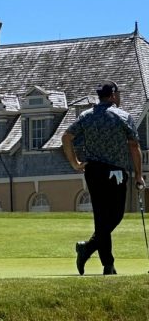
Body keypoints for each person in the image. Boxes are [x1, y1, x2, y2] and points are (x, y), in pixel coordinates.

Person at [62, 81, 144, 276]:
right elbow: (134, 146)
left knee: (102, 218)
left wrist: (75, 163)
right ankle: (94, 254)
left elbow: (66, 137)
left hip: (93, 172)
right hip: (115, 172)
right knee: (114, 216)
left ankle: (105, 262)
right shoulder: (123, 117)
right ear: (113, 95)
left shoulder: (86, 116)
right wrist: (139, 175)